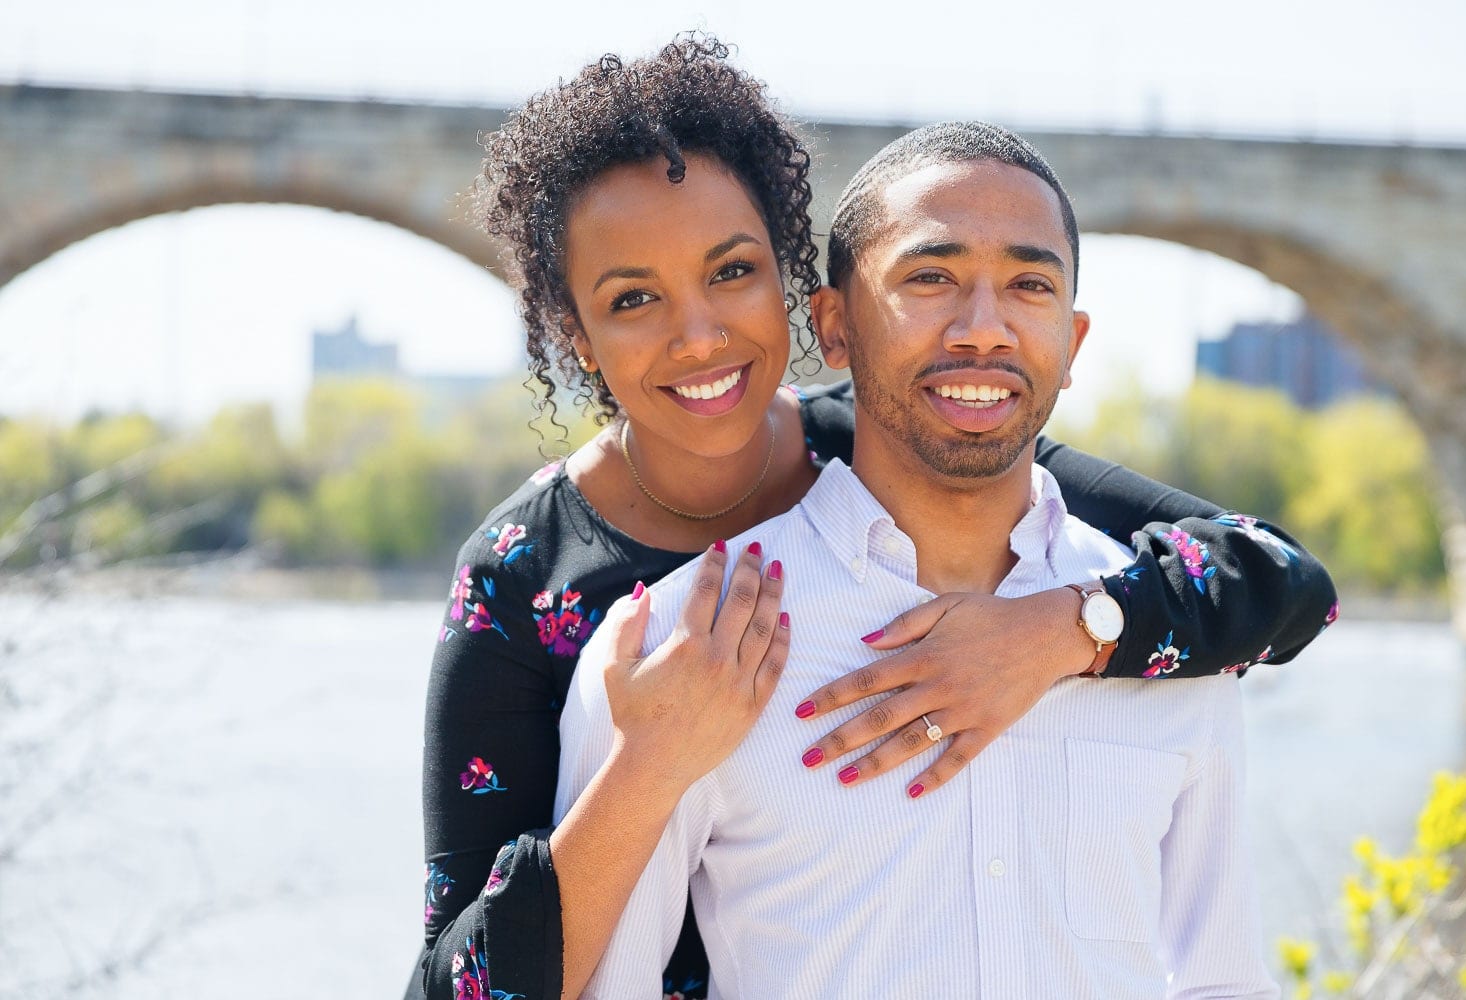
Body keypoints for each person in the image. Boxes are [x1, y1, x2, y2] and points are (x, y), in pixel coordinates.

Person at [412, 37, 1334, 1000]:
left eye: (731, 272)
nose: (698, 335)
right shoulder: (538, 584)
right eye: (634, 298)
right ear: (578, 338)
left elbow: (1275, 576)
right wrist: (650, 765)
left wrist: (1063, 632)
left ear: (796, 297)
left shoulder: (929, 430)